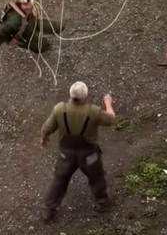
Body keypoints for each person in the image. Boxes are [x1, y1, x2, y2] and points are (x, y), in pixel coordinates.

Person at [39, 81, 115, 223]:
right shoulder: (93, 111)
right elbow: (111, 120)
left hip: (65, 154)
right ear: (85, 96)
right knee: (97, 178)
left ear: (70, 94)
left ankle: (48, 210)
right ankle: (102, 203)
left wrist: (44, 138)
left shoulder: (60, 109)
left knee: (59, 180)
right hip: (88, 155)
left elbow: (47, 127)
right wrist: (108, 103)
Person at [0, 0, 65, 54]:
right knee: (42, 44)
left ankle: (56, 28)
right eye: (26, 4)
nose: (30, 5)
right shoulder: (15, 20)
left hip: (30, 21)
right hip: (24, 32)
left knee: (51, 25)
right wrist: (6, 43)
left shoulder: (21, 8)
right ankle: (42, 46)